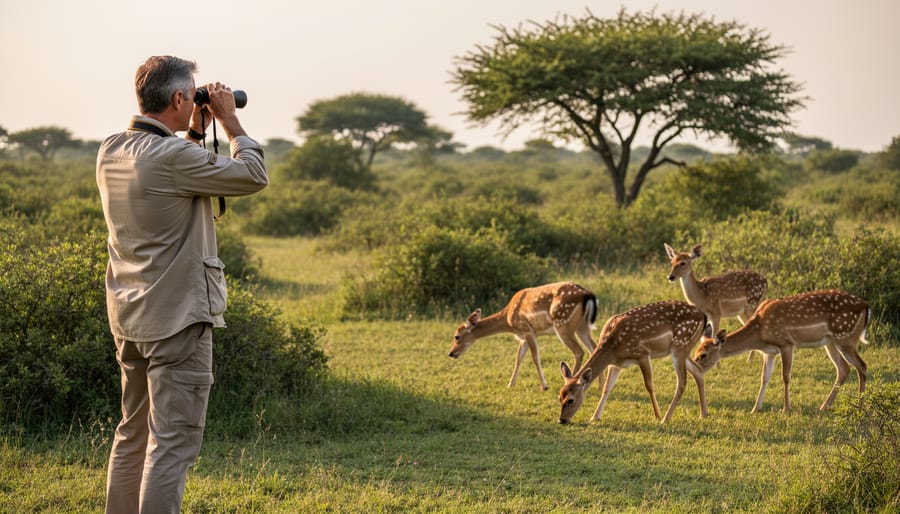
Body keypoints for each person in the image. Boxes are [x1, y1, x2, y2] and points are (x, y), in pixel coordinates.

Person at [97, 55, 268, 513]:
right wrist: (230, 122)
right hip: (178, 322)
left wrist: (193, 131)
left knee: (132, 434)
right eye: (191, 92)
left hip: (130, 317)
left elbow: (173, 173)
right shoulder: (175, 157)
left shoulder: (111, 148)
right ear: (178, 98)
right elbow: (253, 175)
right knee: (172, 446)